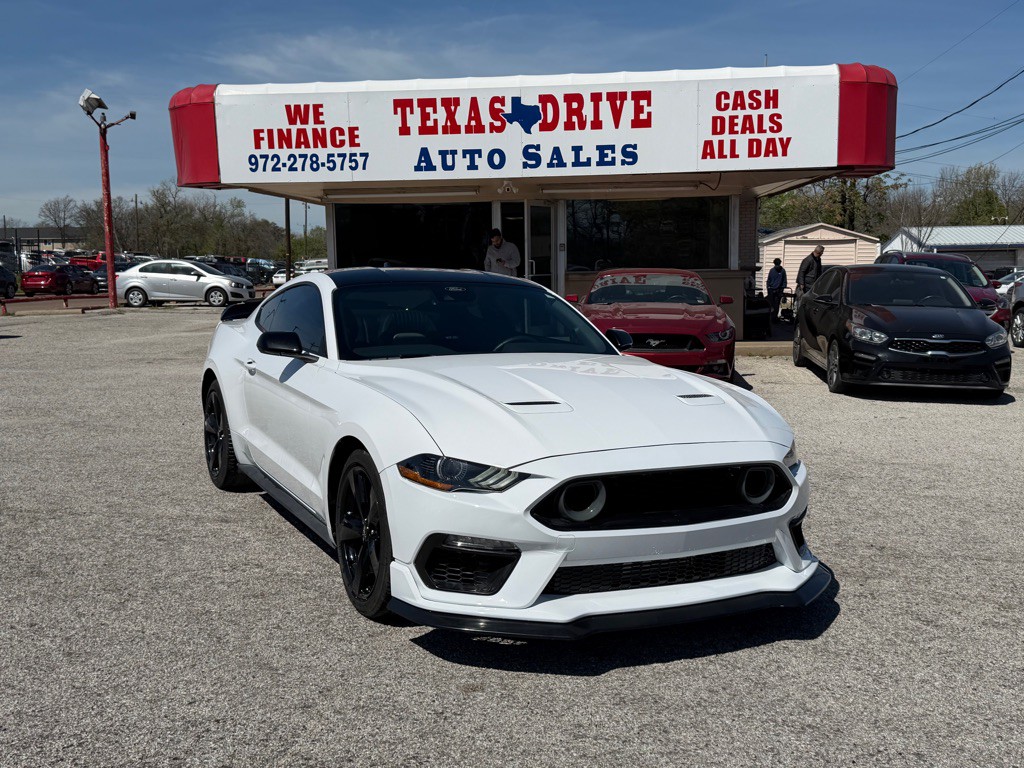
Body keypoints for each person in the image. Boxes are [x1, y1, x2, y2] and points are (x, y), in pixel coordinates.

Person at [795, 245, 824, 311]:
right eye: (822, 252)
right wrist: (801, 284)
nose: (822, 254)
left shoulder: (818, 259)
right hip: (806, 284)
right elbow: (802, 271)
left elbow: (819, 271)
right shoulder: (808, 260)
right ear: (819, 252)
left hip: (813, 284)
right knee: (803, 301)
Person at [765, 257, 788, 322]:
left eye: (778, 264)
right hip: (771, 290)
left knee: (777, 305)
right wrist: (768, 288)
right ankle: (771, 318)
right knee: (771, 304)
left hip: (778, 290)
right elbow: (768, 280)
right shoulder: (772, 271)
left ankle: (775, 318)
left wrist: (782, 289)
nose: (777, 266)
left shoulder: (782, 271)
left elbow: (784, 280)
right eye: (776, 264)